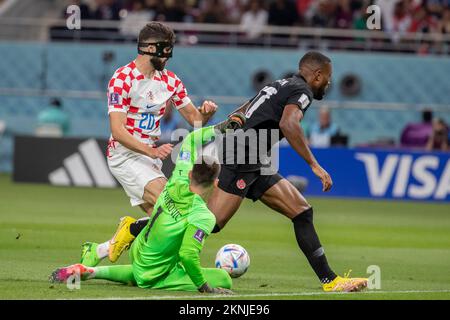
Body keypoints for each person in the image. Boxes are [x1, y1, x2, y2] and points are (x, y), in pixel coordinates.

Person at [88, 51, 368, 292]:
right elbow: (289, 125)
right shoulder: (302, 91)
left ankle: (329, 280)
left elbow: (246, 108)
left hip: (253, 155)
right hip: (245, 154)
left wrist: (230, 124)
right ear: (316, 75)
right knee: (212, 222)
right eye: (327, 78)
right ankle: (134, 228)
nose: (328, 83)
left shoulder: (279, 84)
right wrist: (315, 165)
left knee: (302, 211)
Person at [50, 117, 246, 294]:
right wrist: (205, 288)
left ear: (189, 174)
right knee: (223, 278)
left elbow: (191, 140)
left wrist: (220, 128)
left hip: (139, 251)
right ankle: (147, 273)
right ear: (215, 183)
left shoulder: (178, 176)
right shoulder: (203, 215)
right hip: (154, 272)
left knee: (149, 265)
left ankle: (91, 271)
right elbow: (187, 254)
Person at [82, 21, 218, 267]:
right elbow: (117, 130)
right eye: (165, 49)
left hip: (149, 158)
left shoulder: (170, 81)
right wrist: (152, 150)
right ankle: (135, 238)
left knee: (166, 222)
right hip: (124, 155)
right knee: (175, 207)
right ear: (150, 48)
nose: (168, 57)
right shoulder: (122, 79)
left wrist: (205, 114)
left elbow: (195, 121)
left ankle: (101, 249)